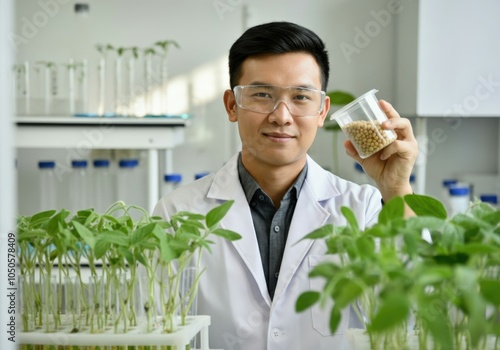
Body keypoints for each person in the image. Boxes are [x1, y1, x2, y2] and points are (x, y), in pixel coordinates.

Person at [153, 21, 418, 350]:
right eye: (262, 95)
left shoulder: (361, 207)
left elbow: (414, 309)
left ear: (322, 110)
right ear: (232, 105)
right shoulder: (177, 211)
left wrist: (396, 188)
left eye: (301, 97)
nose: (281, 116)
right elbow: (155, 328)